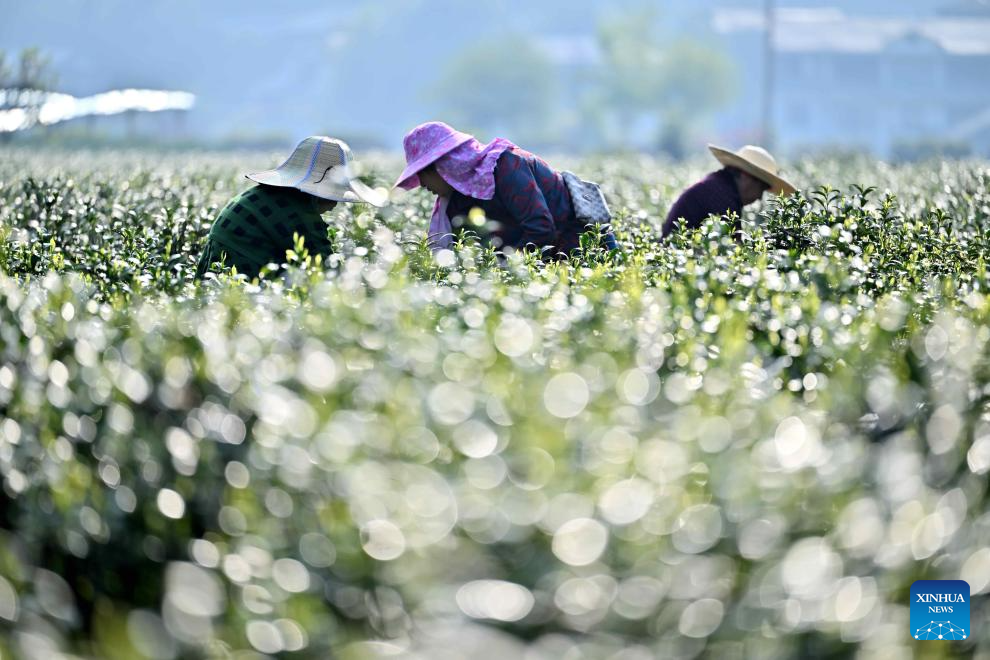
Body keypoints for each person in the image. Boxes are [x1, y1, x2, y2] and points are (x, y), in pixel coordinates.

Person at [394, 121, 613, 258]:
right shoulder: (456, 202)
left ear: (443, 167)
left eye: (422, 174)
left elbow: (541, 229)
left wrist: (503, 266)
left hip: (582, 247)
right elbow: (466, 251)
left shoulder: (507, 166)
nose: (422, 184)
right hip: (540, 265)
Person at [196, 136, 386, 279]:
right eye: (332, 194)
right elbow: (328, 272)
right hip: (239, 287)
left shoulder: (266, 195)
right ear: (316, 192)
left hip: (214, 280)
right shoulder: (296, 213)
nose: (335, 204)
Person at [662, 144, 797, 239]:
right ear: (746, 176)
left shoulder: (719, 185)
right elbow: (734, 251)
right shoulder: (722, 196)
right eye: (762, 188)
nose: (759, 197)